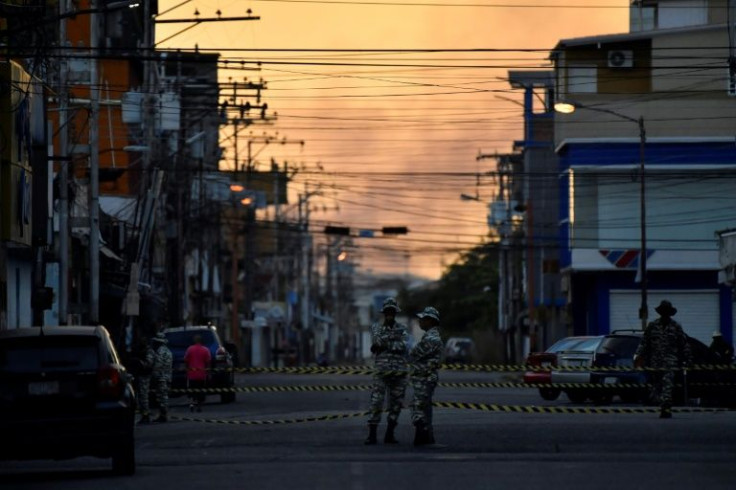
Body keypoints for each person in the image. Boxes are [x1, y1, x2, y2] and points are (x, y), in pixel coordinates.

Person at [633, 300, 692, 419]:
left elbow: (683, 343)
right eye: (663, 311)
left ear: (670, 313)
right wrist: (638, 355)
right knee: (657, 385)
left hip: (670, 361)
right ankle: (662, 402)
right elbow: (644, 343)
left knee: (668, 384)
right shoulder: (653, 326)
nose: (665, 314)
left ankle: (666, 407)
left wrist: (688, 358)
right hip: (656, 363)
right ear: (660, 313)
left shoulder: (676, 327)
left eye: (667, 312)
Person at [365, 297, 408, 445]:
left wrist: (385, 344)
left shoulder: (402, 328)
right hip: (382, 371)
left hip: (399, 372)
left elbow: (403, 346)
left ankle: (390, 433)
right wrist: (391, 341)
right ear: (384, 313)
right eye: (387, 312)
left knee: (396, 404)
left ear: (395, 313)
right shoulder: (377, 327)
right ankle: (372, 434)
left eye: (392, 312)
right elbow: (376, 344)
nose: (390, 314)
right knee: (376, 402)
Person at [410, 306, 443, 446]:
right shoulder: (430, 336)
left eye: (423, 319)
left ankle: (423, 437)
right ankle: (426, 437)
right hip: (423, 376)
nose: (420, 321)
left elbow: (414, 353)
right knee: (424, 407)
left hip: (425, 377)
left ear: (430, 321)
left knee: (418, 407)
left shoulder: (432, 339)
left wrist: (413, 352)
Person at [184, 334, 211, 412]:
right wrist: (208, 373)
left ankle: (192, 404)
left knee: (192, 390)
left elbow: (186, 360)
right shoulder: (205, 350)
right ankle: (199, 406)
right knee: (200, 391)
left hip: (192, 374)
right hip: (201, 374)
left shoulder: (190, 349)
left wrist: (187, 370)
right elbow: (208, 362)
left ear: (194, 341)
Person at [151, 332, 173, 423]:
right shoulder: (168, 351)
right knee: (164, 396)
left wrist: (153, 376)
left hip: (161, 377)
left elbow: (158, 365)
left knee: (161, 397)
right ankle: (163, 414)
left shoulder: (160, 351)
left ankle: (163, 415)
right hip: (167, 376)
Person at [133, 336, 155, 424]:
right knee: (140, 397)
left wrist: (139, 362)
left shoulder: (149, 351)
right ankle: (144, 415)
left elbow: (148, 364)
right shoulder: (140, 351)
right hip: (140, 375)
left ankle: (146, 416)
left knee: (144, 397)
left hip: (145, 376)